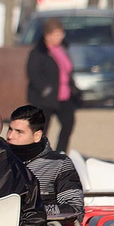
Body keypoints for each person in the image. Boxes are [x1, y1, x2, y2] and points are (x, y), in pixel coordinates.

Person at [7, 105, 85, 221]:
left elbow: (74, 209)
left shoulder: (59, 163)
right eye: (10, 129)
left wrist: (29, 212)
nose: (10, 136)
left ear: (37, 136)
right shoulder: (0, 160)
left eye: (19, 132)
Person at [26, 18, 79, 152]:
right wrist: (45, 89)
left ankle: (61, 152)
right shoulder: (38, 52)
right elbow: (33, 72)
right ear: (47, 35)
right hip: (45, 98)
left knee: (68, 124)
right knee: (42, 129)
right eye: (56, 35)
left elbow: (67, 70)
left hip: (65, 96)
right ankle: (37, 153)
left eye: (61, 34)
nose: (59, 38)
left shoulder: (63, 49)